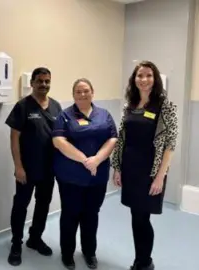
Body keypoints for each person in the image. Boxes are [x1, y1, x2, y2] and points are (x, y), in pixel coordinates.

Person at [111, 61, 178, 270]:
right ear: (134, 79)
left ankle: (144, 262)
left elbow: (170, 144)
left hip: (150, 171)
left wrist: (160, 176)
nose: (144, 79)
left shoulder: (164, 105)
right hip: (130, 169)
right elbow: (122, 139)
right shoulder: (129, 105)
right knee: (135, 216)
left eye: (149, 75)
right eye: (140, 75)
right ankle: (140, 261)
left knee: (143, 217)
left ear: (155, 78)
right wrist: (118, 167)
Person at [52, 78, 118, 270]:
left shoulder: (104, 115)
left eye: (86, 91)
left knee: (91, 215)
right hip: (70, 177)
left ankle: (90, 253)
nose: (82, 94)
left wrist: (97, 159)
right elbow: (59, 141)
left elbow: (113, 138)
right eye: (78, 91)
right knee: (70, 215)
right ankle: (67, 254)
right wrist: (85, 160)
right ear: (73, 95)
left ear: (92, 92)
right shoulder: (64, 116)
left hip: (97, 177)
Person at [5, 67, 62, 266]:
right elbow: (14, 139)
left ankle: (35, 238)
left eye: (47, 81)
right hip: (27, 169)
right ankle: (16, 243)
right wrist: (18, 167)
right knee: (20, 205)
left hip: (48, 169)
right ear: (32, 83)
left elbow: (60, 137)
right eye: (40, 81)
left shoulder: (56, 106)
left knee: (43, 204)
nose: (44, 85)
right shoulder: (22, 106)